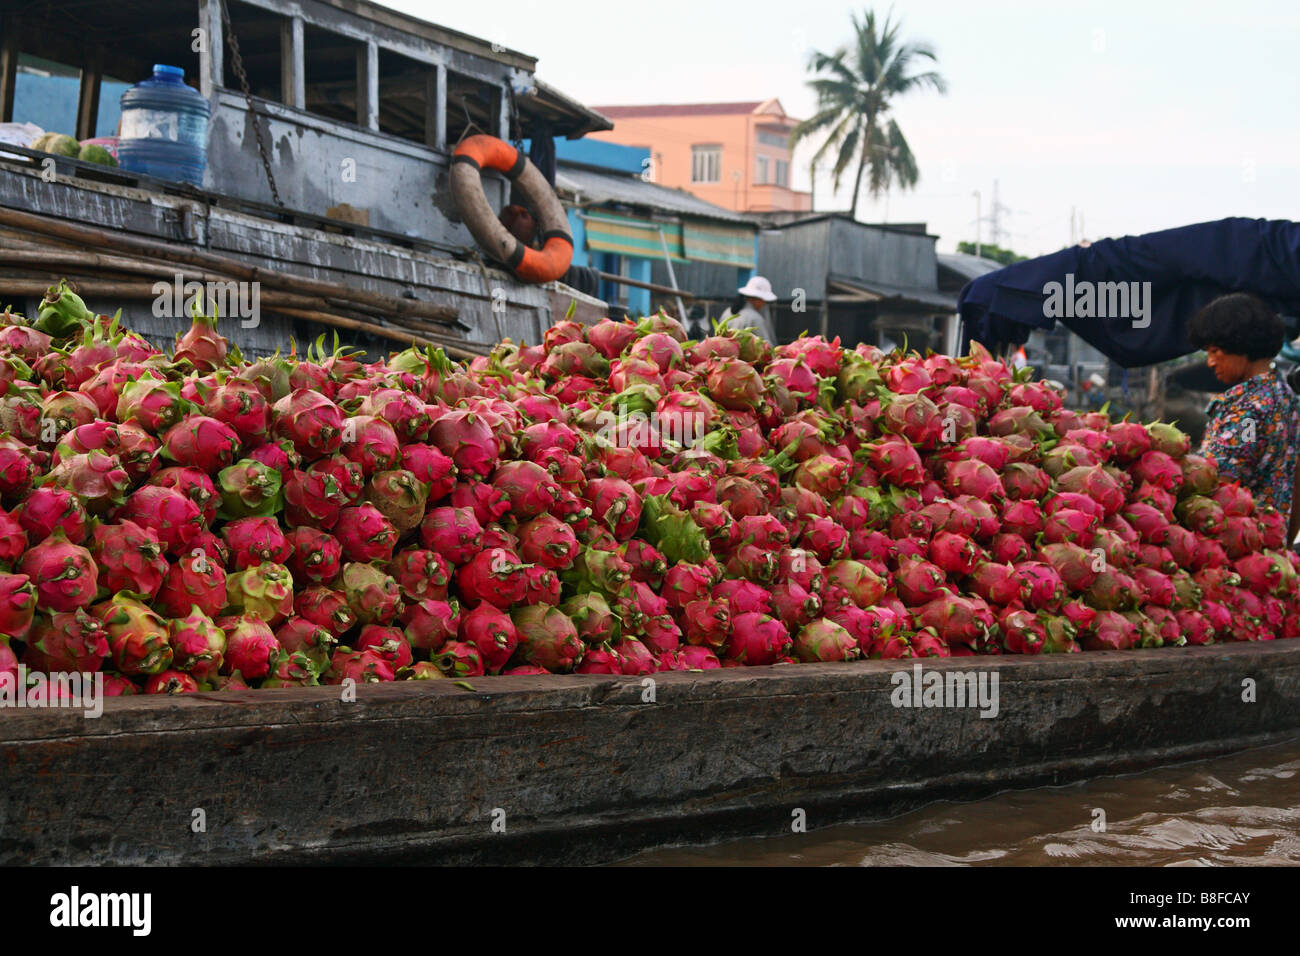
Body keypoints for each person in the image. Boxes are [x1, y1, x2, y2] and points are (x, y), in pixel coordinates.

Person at [1188, 293, 1300, 541]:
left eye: (1215, 351)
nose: (1210, 362)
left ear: (1241, 345)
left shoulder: (1246, 411)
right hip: (1272, 550)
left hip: (1236, 553)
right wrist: (1286, 546)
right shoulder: (1286, 398)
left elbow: (1219, 482)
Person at [724, 276, 778, 344]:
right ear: (757, 299)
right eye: (764, 300)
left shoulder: (727, 312)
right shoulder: (755, 318)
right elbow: (767, 346)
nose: (764, 303)